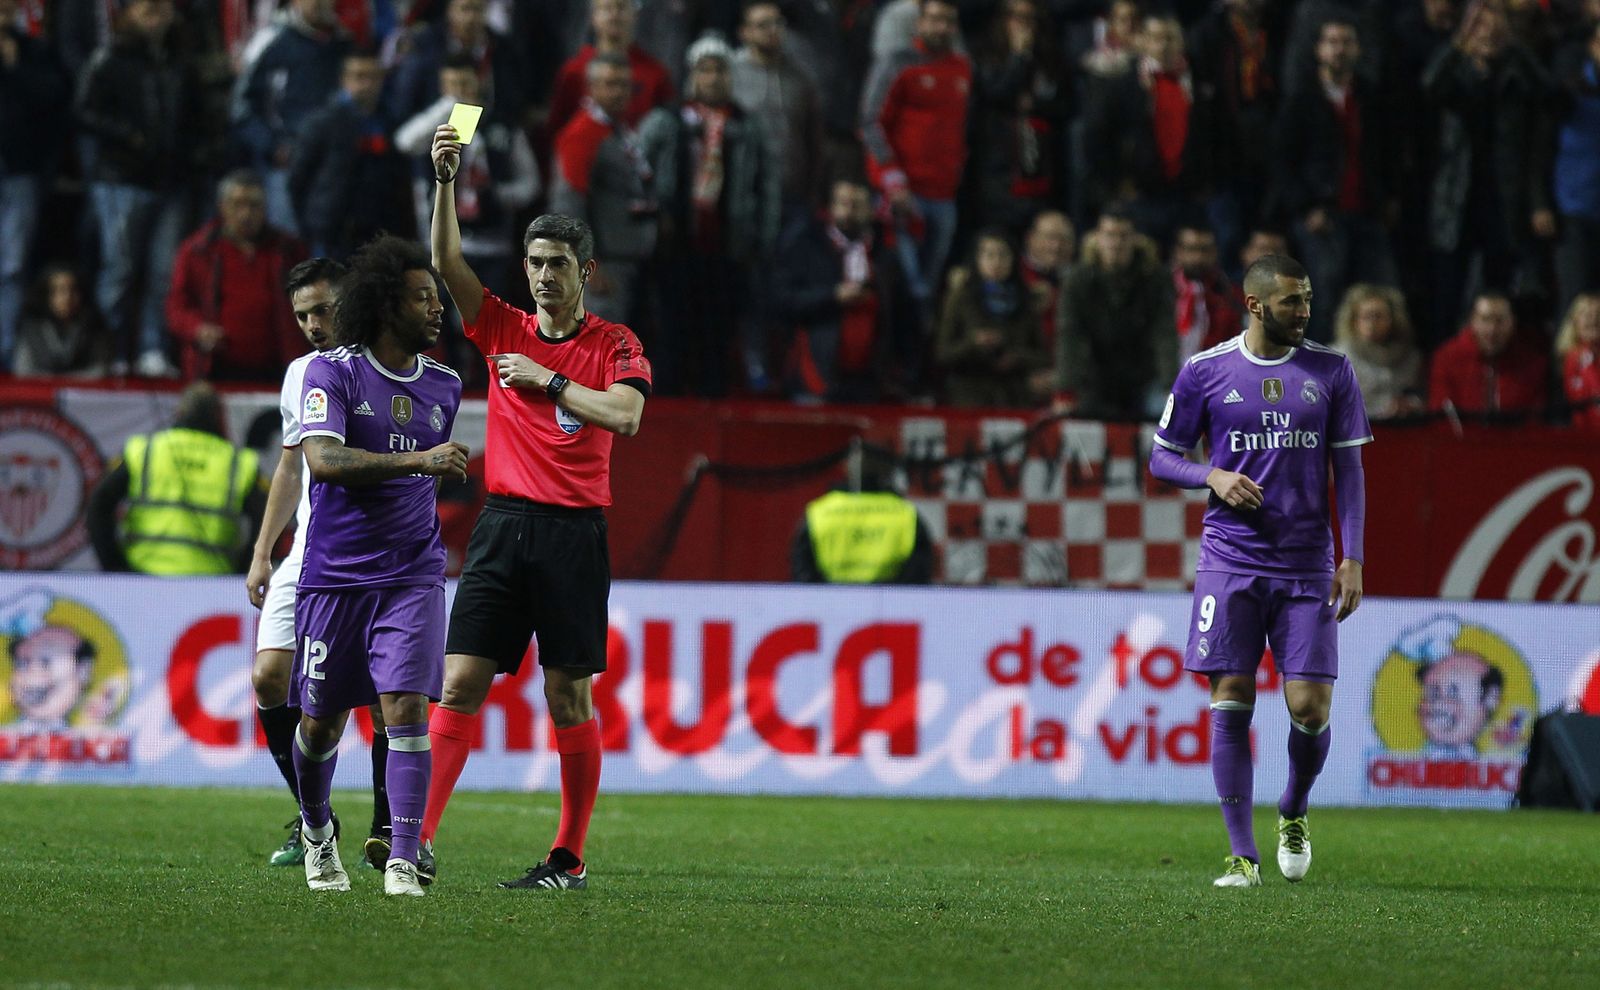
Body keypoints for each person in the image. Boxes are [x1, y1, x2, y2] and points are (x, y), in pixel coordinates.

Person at [425, 122, 653, 890]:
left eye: (558, 264)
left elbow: (626, 417)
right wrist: (446, 180)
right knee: (457, 681)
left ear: (585, 270)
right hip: (502, 527)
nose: (544, 276)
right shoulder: (498, 325)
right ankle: (412, 842)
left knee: (567, 691)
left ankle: (568, 856)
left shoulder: (617, 343)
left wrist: (548, 381)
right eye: (534, 263)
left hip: (573, 534)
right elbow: (445, 261)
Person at [1148, 253, 1371, 888]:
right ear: (1254, 305)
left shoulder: (1331, 371)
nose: (1304, 311)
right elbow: (1163, 459)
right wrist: (1210, 474)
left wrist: (1352, 557)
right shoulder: (1206, 371)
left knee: (1308, 704)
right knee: (1232, 700)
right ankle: (1242, 858)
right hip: (1230, 561)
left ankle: (1294, 809)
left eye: (1308, 299)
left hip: (1306, 564)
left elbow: (1350, 474)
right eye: (1292, 301)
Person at [289, 235, 467, 897]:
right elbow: (325, 462)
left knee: (406, 710)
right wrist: (418, 461)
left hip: (412, 574)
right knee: (320, 723)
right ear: (387, 304)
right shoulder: (330, 373)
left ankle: (401, 853)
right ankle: (315, 832)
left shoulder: (444, 384)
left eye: (436, 297)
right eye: (422, 298)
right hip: (335, 576)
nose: (436, 309)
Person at [243, 257, 393, 870]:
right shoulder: (301, 373)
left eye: (322, 310)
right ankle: (314, 818)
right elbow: (289, 463)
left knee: (386, 699)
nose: (311, 324)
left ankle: (388, 828)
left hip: (375, 550)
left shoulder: (389, 366)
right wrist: (263, 551)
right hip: (307, 550)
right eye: (302, 314)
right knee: (268, 679)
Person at [861, 0, 972, 327]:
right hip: (903, 194)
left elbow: (962, 125)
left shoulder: (962, 67)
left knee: (929, 285)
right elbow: (870, 122)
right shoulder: (897, 63)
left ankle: (916, 366)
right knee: (902, 284)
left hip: (944, 194)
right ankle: (889, 363)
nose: (941, 27)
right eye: (934, 19)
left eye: (948, 21)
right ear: (919, 23)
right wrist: (891, 178)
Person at [86, 383, 267, 576]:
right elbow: (271, 520)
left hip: (141, 579)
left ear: (179, 412)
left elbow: (98, 504)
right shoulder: (238, 463)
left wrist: (114, 566)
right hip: (213, 585)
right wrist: (246, 570)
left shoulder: (145, 450)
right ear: (219, 416)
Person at [165, 170, 309, 382]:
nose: (246, 214)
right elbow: (176, 306)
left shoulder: (288, 251)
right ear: (222, 207)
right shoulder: (197, 251)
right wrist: (197, 329)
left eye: (254, 205)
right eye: (237, 204)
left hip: (278, 371)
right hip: (213, 369)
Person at [1056, 206, 1175, 419]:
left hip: (1144, 376)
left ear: (1135, 239)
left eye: (1123, 236)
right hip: (1095, 377)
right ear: (1098, 238)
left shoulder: (1155, 278)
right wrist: (1065, 389)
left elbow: (1164, 334)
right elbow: (1070, 336)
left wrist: (1171, 385)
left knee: (1166, 412)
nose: (1116, 243)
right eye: (1110, 235)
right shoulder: (1078, 280)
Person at [933, 227, 1049, 408]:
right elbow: (942, 353)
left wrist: (1017, 357)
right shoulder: (961, 297)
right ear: (977, 260)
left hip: (1015, 397)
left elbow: (1043, 355)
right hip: (969, 396)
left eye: (1003, 255)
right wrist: (974, 342)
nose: (996, 262)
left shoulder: (1026, 299)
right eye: (989, 255)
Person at [791, 445, 935, 584]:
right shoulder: (905, 514)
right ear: (886, 471)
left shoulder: (819, 512)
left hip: (829, 605)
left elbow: (803, 575)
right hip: (890, 606)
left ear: (845, 468)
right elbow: (918, 576)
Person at [1427, 290, 1550, 417]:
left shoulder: (1532, 363)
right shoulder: (1447, 358)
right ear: (1472, 321)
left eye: (1500, 321)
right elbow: (1441, 414)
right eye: (1485, 320)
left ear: (1513, 322)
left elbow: (1536, 419)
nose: (1492, 330)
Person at [1331, 283, 1424, 419]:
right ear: (1353, 320)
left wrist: (1409, 404)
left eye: (1378, 316)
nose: (1372, 323)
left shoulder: (1411, 358)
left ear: (1393, 320)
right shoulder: (1337, 359)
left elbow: (1422, 398)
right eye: (1366, 316)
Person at [11, 266, 113, 378]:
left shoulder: (94, 326)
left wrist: (66, 384)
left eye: (73, 289)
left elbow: (100, 370)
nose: (67, 297)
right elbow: (23, 371)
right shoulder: (31, 328)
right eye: (60, 290)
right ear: (47, 294)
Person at [1556, 291, 1600, 429]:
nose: (1593, 319)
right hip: (1580, 438)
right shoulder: (1567, 358)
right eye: (1586, 314)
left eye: (1599, 313)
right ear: (1574, 320)